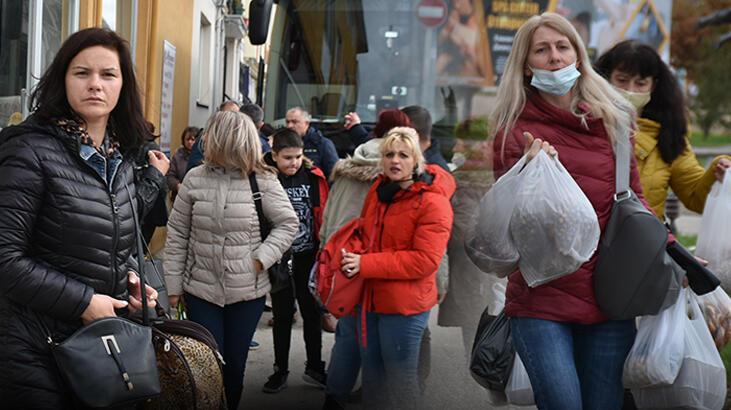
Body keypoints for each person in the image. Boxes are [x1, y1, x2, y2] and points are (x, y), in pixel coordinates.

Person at [489, 13, 666, 409]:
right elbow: (515, 226)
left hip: (609, 297)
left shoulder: (614, 121)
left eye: (562, 46)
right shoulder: (513, 131)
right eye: (542, 49)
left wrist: (672, 252)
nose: (554, 57)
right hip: (542, 300)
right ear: (526, 64)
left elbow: (634, 202)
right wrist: (527, 176)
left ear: (579, 56)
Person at [0, 27, 166, 408]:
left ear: (123, 86)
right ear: (63, 80)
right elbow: (6, 259)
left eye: (108, 74)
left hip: (102, 350)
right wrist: (85, 301)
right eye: (82, 73)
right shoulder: (29, 150)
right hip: (34, 351)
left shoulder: (120, 159)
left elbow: (108, 242)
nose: (95, 84)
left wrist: (132, 284)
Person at [163, 111, 298, 410]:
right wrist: (173, 287)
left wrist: (261, 259)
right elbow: (177, 236)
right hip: (200, 290)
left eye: (212, 135)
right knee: (206, 366)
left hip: (247, 293)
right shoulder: (195, 178)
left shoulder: (262, 179)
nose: (206, 140)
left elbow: (288, 223)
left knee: (234, 367)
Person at [340, 127, 454, 409]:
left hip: (405, 306)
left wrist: (365, 264)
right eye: (389, 154)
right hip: (370, 300)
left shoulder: (433, 201)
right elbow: (365, 235)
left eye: (403, 155)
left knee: (402, 382)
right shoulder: (379, 190)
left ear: (417, 159)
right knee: (373, 379)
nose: (395, 161)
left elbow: (424, 261)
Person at [321, 109, 414, 410]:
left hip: (345, 263)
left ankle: (334, 397)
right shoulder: (403, 173)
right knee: (387, 344)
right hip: (383, 267)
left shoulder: (348, 166)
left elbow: (328, 221)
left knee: (348, 335)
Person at [594, 40, 731, 220]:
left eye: (640, 83)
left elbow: (695, 197)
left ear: (654, 86)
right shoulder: (584, 124)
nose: (630, 90)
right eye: (622, 80)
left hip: (641, 243)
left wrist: (718, 173)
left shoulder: (668, 135)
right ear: (605, 78)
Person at [262, 128, 330, 394]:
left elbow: (321, 212)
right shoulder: (266, 178)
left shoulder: (313, 177)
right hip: (278, 259)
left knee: (311, 313)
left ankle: (315, 366)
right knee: (281, 315)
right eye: (287, 158)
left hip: (308, 257)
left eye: (298, 157)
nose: (293, 163)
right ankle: (280, 370)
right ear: (275, 156)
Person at [186, 100, 241, 172]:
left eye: (236, 114)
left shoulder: (241, 139)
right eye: (228, 114)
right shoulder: (205, 138)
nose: (231, 118)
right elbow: (193, 166)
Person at [286, 106, 339, 178]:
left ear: (307, 123)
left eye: (294, 122)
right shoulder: (283, 143)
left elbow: (334, 175)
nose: (290, 126)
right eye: (287, 122)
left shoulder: (323, 144)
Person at [166, 126, 200, 203]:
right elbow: (170, 176)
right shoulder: (177, 156)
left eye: (193, 139)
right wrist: (177, 185)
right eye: (187, 139)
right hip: (179, 197)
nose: (190, 142)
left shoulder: (203, 156)